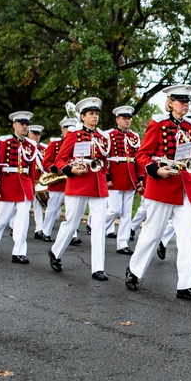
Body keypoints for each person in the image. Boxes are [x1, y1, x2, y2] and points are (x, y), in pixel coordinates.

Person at [125, 85, 191, 301]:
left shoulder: (190, 127)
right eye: (181, 101)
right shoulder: (158, 124)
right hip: (161, 187)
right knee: (152, 234)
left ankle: (187, 285)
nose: (185, 105)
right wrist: (155, 169)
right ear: (170, 102)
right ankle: (134, 271)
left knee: (187, 238)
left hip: (184, 188)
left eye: (188, 101)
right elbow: (142, 155)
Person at [49, 98, 111, 278]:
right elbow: (59, 159)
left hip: (98, 184)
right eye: (91, 114)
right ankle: (55, 252)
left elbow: (105, 161)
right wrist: (71, 169)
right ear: (82, 117)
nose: (95, 117)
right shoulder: (74, 135)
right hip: (78, 182)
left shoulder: (101, 137)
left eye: (96, 114)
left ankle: (98, 268)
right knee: (72, 223)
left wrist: (107, 178)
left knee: (99, 226)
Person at [0, 111, 37, 263]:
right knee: (2, 218)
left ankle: (19, 252)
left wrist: (33, 186)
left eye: (27, 124)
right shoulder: (3, 142)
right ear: (14, 125)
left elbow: (32, 168)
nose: (25, 127)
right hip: (7, 184)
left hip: (24, 185)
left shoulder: (31, 145)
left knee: (23, 220)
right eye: (22, 124)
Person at [103, 106, 142, 256]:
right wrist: (107, 177)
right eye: (124, 118)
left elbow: (138, 158)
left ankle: (122, 243)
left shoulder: (134, 137)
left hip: (130, 176)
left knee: (126, 213)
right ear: (117, 119)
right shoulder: (109, 135)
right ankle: (97, 227)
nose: (127, 121)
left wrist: (140, 177)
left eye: (129, 118)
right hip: (115, 175)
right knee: (115, 209)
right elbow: (105, 157)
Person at [40, 117, 79, 243]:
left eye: (72, 127)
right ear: (62, 130)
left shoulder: (79, 143)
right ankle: (46, 231)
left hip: (72, 180)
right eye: (67, 128)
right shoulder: (55, 143)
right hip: (58, 181)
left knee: (72, 210)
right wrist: (56, 170)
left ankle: (72, 235)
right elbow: (46, 162)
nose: (70, 130)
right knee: (53, 208)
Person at [26, 125, 48, 240]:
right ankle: (13, 226)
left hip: (42, 181)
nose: (37, 136)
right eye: (34, 134)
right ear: (29, 134)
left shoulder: (45, 148)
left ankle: (39, 229)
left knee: (38, 204)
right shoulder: (26, 147)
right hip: (29, 180)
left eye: (38, 134)